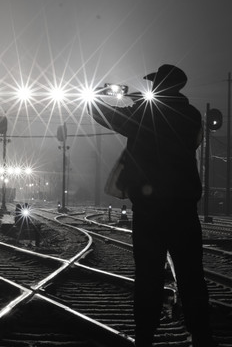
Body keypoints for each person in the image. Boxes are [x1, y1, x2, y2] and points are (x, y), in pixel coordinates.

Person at [88, 64, 216, 347]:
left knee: (148, 275)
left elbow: (107, 116)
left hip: (149, 209)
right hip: (184, 208)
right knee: (191, 276)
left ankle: (145, 336)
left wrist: (95, 96)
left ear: (159, 87)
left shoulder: (146, 113)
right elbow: (189, 141)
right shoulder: (192, 115)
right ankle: (202, 336)